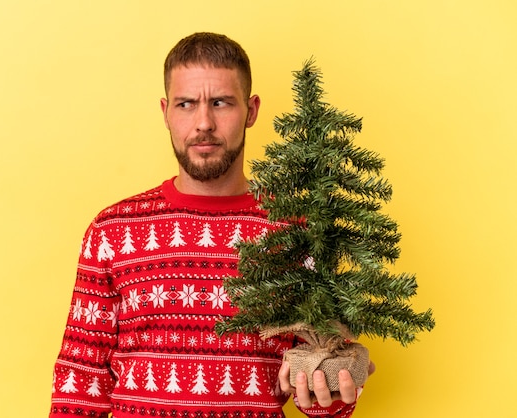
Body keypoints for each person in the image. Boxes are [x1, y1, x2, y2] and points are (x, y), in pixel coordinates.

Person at [49, 32, 373, 418]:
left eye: (221, 102)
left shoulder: (298, 234)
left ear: (251, 110)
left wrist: (333, 397)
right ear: (166, 111)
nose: (203, 123)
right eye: (186, 104)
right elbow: (79, 385)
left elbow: (325, 400)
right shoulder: (112, 231)